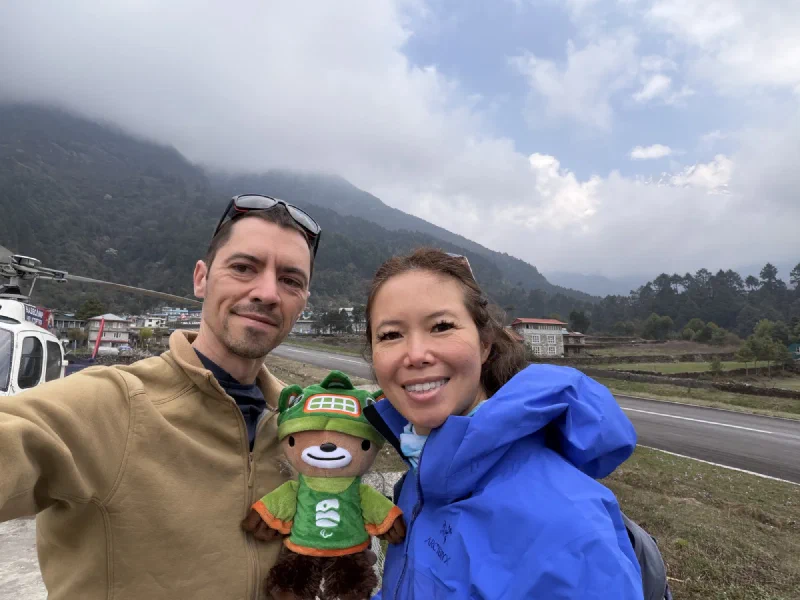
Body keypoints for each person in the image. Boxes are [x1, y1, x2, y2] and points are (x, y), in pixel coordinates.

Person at [0, 194, 321, 599]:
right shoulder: (114, 403)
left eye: (291, 280)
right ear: (201, 278)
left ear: (303, 301)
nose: (269, 292)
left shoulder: (300, 430)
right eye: (243, 268)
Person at [362, 248, 645, 599]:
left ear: (484, 345)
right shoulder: (424, 474)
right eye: (390, 334)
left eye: (441, 326)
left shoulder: (565, 522)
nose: (416, 354)